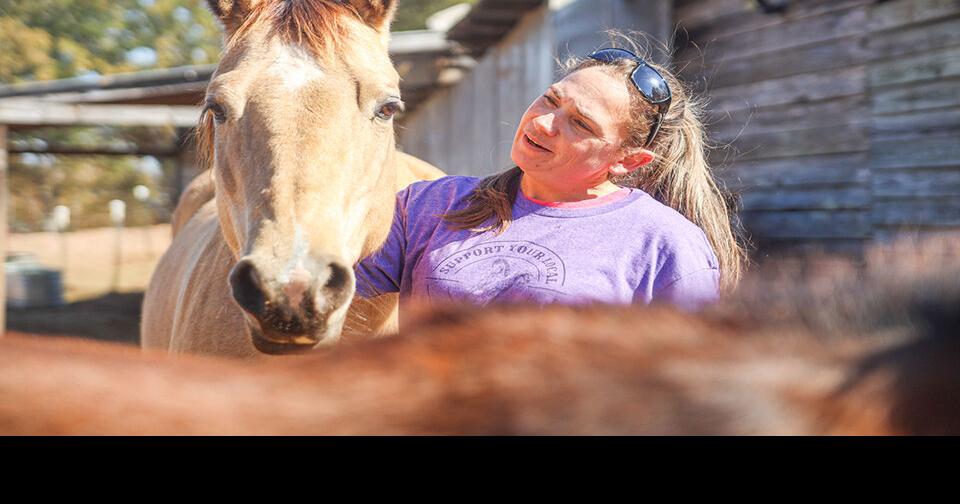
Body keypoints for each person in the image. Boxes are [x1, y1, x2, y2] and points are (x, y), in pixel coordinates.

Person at [355, 39, 746, 316]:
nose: (542, 123)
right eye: (551, 99)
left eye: (580, 124)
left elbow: (686, 380)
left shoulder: (664, 244)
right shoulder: (430, 205)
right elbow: (321, 288)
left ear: (629, 161)